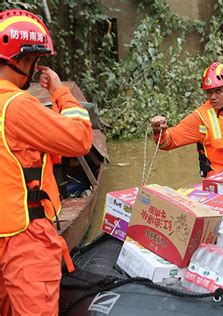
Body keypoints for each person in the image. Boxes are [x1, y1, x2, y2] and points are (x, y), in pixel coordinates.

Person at [0, 9, 92, 315]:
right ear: (23, 60)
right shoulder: (17, 105)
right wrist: (59, 91)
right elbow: (79, 138)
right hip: (23, 243)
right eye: (35, 60)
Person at [150, 62, 223, 177]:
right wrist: (158, 131)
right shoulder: (200, 118)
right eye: (209, 92)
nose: (213, 97)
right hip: (218, 184)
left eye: (218, 91)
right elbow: (168, 142)